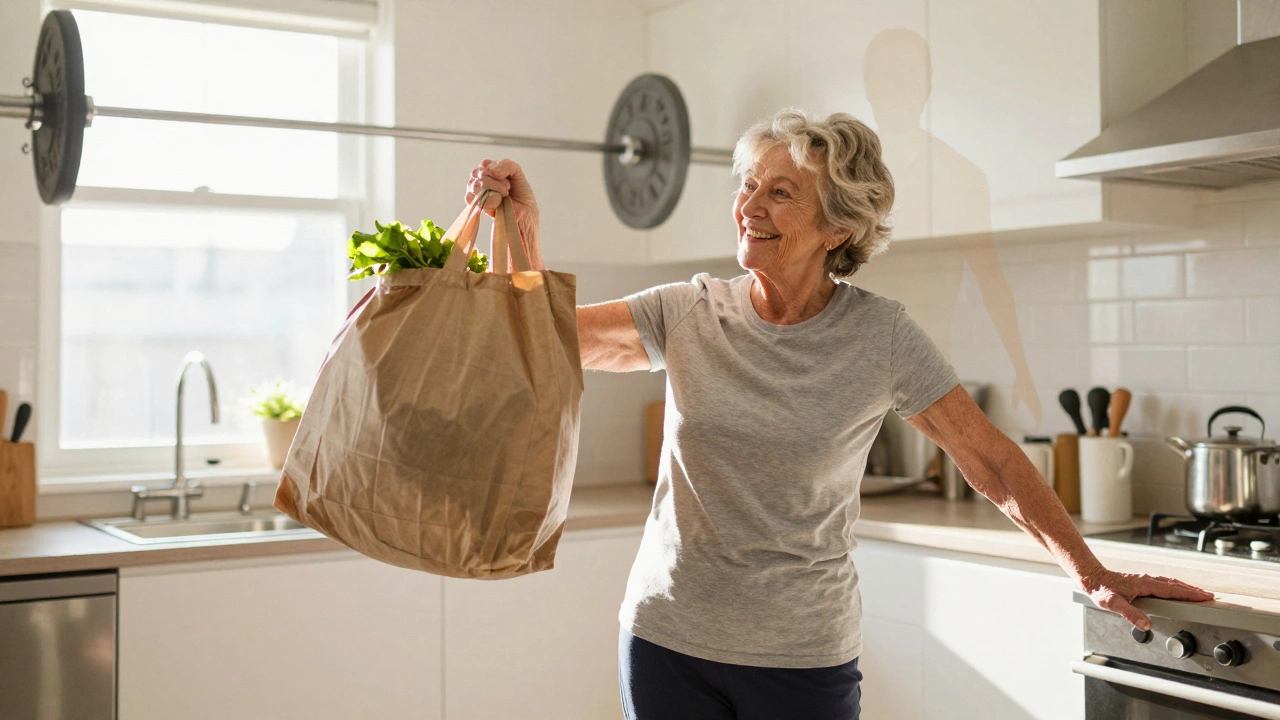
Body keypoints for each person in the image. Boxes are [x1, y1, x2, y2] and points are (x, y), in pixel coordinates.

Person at [465, 109, 1212, 720]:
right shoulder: (688, 311)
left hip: (799, 660)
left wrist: (1090, 571)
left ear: (839, 228)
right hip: (668, 642)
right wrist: (522, 233)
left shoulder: (881, 336)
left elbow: (989, 461)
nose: (749, 207)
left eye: (781, 193)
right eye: (750, 185)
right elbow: (535, 337)